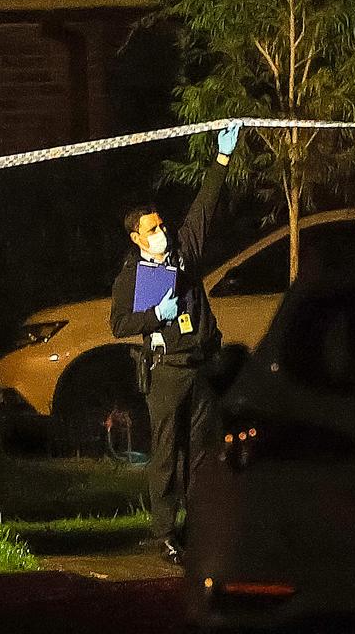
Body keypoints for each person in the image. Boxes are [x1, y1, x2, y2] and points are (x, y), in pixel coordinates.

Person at [111, 122, 241, 565]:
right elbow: (119, 324)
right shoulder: (133, 275)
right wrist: (155, 317)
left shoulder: (182, 253)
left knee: (201, 451)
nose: (161, 232)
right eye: (152, 230)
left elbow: (203, 207)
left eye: (162, 225)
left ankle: (198, 523)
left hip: (199, 364)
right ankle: (164, 532)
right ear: (136, 238)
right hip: (164, 371)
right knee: (166, 453)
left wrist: (222, 160)